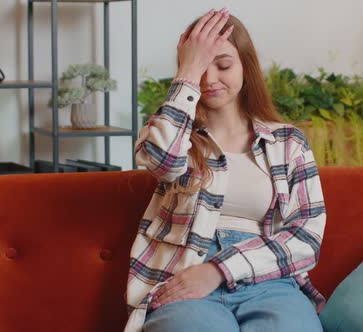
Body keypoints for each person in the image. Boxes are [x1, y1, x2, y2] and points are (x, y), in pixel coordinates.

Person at [124, 8, 326, 332]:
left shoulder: (288, 142)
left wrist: (220, 269)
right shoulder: (173, 133)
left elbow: (307, 235)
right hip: (184, 277)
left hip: (268, 279)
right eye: (202, 66)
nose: (209, 79)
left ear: (246, 65)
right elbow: (162, 162)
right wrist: (187, 69)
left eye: (223, 64)